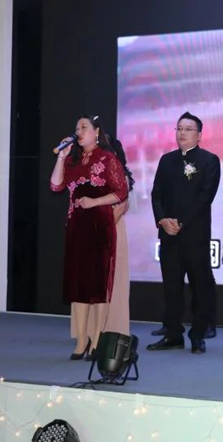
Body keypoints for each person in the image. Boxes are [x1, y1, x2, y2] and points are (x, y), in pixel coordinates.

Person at [50, 115, 129, 360]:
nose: (79, 131)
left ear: (96, 132)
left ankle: (96, 339)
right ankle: (81, 339)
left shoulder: (107, 158)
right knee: (79, 284)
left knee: (98, 284)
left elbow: (121, 192)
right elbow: (55, 186)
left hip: (99, 226)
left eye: (84, 127)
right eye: (77, 128)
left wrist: (95, 201)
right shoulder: (72, 160)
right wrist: (61, 157)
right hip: (76, 226)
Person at [147, 113, 220, 354]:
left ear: (199, 135)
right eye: (179, 128)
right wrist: (162, 220)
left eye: (188, 129)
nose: (182, 133)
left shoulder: (209, 160)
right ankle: (173, 334)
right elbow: (156, 194)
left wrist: (181, 222)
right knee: (171, 287)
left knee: (199, 286)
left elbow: (205, 197)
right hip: (168, 234)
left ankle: (198, 335)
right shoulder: (166, 160)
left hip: (195, 235)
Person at [70, 137, 134, 343]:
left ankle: (109, 331)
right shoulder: (89, 176)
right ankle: (85, 334)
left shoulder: (119, 178)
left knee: (110, 285)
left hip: (110, 235)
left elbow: (119, 210)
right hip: (88, 236)